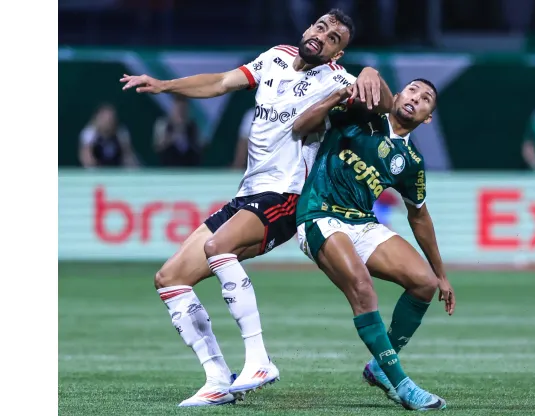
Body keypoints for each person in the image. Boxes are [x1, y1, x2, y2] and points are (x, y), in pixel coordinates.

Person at [119, 9, 393, 407]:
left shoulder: (338, 81)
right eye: (321, 26)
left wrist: (372, 73)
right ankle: (216, 378)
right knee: (169, 278)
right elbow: (219, 82)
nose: (323, 35)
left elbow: (384, 106)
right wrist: (163, 85)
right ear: (307, 28)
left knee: (218, 248)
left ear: (338, 54)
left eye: (335, 38)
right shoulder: (275, 57)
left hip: (288, 195)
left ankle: (259, 360)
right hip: (248, 193)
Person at [292, 79, 455, 411]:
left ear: (427, 118)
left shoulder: (410, 161)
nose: (416, 99)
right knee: (363, 289)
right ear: (395, 95)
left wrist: (442, 275)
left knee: (423, 284)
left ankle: (380, 367)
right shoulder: (360, 115)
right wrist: (368, 72)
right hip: (319, 214)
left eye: (426, 100)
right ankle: (402, 384)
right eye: (412, 91)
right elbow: (301, 127)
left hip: (363, 222)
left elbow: (419, 217)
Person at [79, 103, 139, 168]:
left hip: (118, 171)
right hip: (97, 171)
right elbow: (86, 157)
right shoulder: (89, 132)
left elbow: (128, 155)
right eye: (105, 118)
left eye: (110, 118)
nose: (108, 121)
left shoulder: (121, 132)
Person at [153, 96, 202, 167]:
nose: (180, 112)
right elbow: (158, 146)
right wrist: (172, 137)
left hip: (189, 168)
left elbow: (199, 147)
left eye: (183, 109)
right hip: (168, 167)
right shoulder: (163, 124)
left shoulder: (193, 126)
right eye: (178, 109)